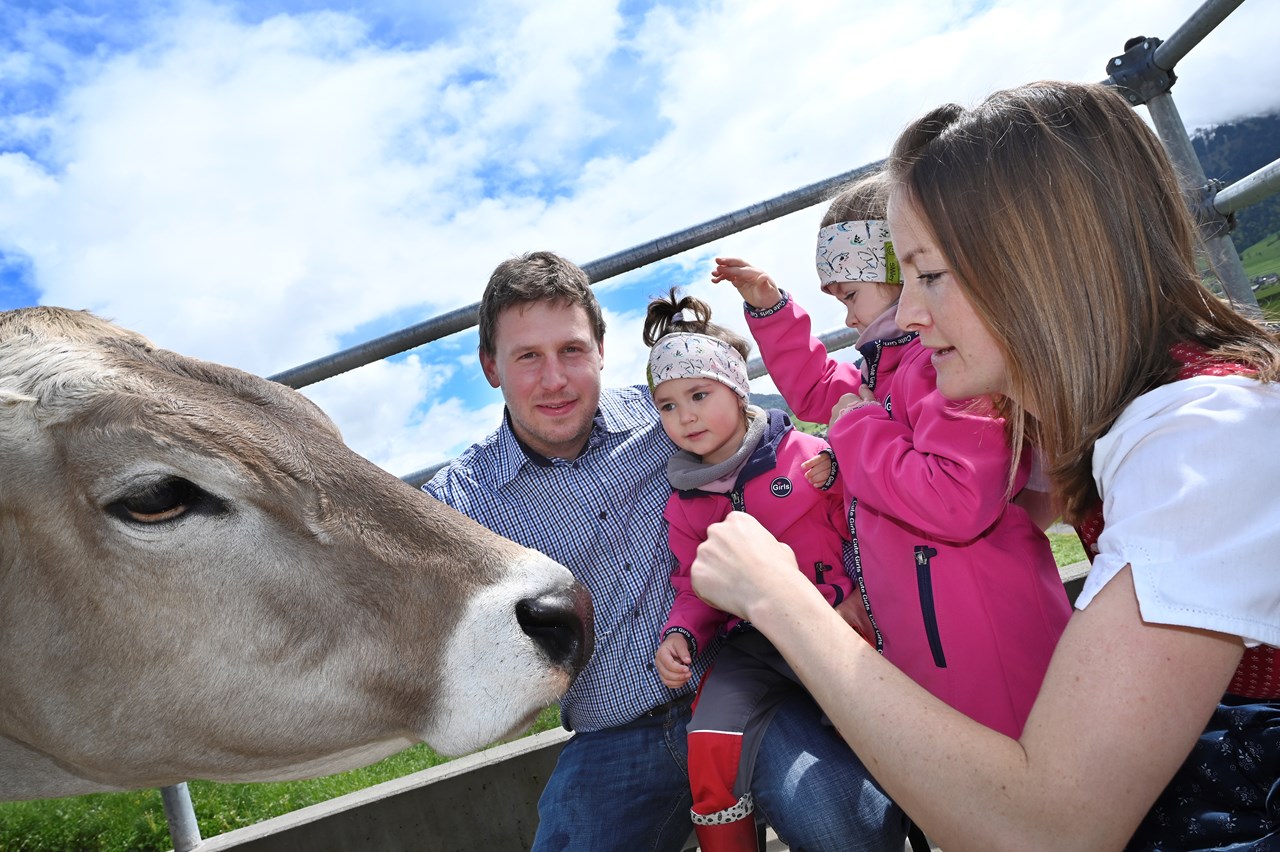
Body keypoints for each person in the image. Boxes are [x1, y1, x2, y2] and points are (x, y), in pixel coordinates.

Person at [689, 80, 1280, 851]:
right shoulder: (1132, 422)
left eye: (929, 275)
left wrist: (777, 599)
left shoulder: (1204, 439)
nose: (909, 314)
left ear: (1043, 267)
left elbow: (1049, 833)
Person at [423, 251, 908, 851]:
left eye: (572, 350)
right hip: (613, 736)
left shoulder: (672, 416)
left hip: (748, 685)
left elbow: (787, 451)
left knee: (849, 824)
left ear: (601, 350)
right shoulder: (462, 501)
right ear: (490, 366)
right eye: (528, 357)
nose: (555, 380)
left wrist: (848, 582)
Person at [711, 168, 1071, 739]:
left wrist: (855, 427)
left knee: (1023, 766)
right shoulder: (891, 371)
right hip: (937, 629)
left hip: (983, 638)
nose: (848, 318)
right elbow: (820, 391)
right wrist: (772, 310)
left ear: (899, 273)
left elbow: (955, 498)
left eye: (851, 295)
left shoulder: (945, 366)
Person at [643, 289, 857, 851]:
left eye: (699, 394)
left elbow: (861, 527)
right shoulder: (684, 504)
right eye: (667, 406)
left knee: (869, 729)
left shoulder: (807, 454)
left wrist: (841, 479)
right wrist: (680, 632)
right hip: (752, 644)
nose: (685, 416)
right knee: (708, 739)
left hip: (833, 623)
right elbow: (695, 586)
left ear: (738, 391)